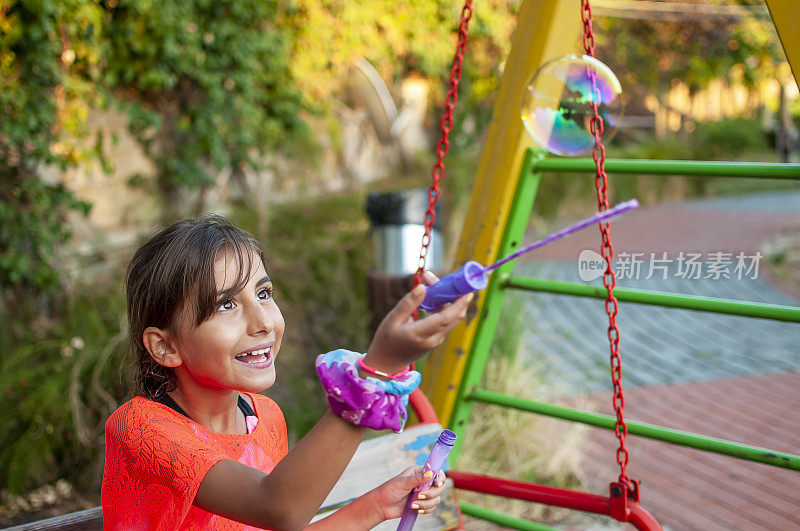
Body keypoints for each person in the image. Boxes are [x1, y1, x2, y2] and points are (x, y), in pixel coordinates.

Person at [101, 215, 472, 530]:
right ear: (166, 346)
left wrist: (376, 507)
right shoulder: (140, 429)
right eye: (226, 304)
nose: (264, 322)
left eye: (263, 294)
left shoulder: (266, 418)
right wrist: (376, 371)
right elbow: (276, 507)